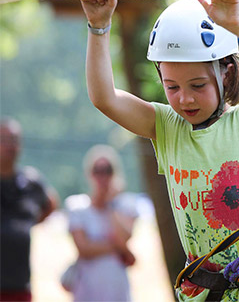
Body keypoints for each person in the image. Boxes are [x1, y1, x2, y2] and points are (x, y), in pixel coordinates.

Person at [78, 0, 239, 301]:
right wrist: (99, 27)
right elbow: (104, 98)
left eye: (197, 85)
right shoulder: (165, 127)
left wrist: (236, 24)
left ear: (225, 73)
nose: (185, 99)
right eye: (172, 87)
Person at [63, 144, 138, 301]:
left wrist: (110, 204)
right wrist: (116, 248)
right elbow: (84, 249)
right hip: (87, 289)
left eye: (108, 170)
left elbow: (123, 237)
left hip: (117, 289)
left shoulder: (125, 206)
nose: (103, 177)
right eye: (98, 170)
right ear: (89, 174)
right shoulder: (76, 206)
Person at [0, 117, 59, 301]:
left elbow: (51, 203)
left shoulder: (31, 182)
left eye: (14, 140)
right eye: (4, 140)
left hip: (20, 286)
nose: (10, 146)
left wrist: (28, 223)